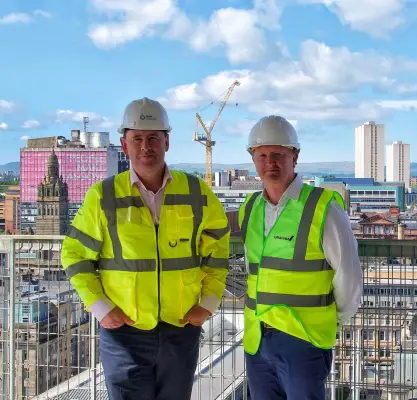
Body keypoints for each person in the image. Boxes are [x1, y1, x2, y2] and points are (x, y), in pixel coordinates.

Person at [61, 97, 230, 400]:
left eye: (153, 138)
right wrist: (101, 308)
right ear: (124, 146)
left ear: (167, 142)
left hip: (180, 328)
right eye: (137, 139)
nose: (145, 147)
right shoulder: (104, 196)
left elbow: (217, 251)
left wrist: (208, 303)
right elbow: (74, 255)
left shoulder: (196, 192)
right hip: (125, 332)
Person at [239, 115, 362, 400]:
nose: (270, 162)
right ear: (253, 159)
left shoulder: (322, 208)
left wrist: (330, 322)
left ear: (295, 157)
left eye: (279, 155)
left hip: (302, 340)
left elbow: (349, 277)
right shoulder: (250, 207)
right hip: (257, 338)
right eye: (263, 155)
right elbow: (253, 271)